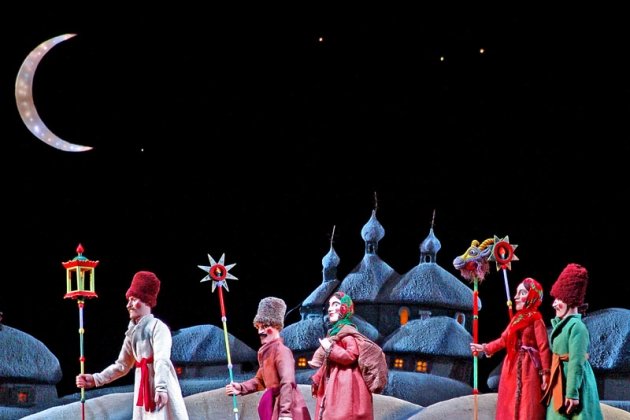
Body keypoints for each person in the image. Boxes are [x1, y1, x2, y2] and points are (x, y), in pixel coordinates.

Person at [75, 271, 189, 420]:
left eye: (133, 299)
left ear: (147, 301)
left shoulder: (157, 327)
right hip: (143, 384)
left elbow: (162, 359)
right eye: (129, 300)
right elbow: (122, 365)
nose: (128, 305)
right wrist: (96, 379)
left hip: (159, 382)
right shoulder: (132, 332)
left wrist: (161, 387)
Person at [470, 277, 551, 420]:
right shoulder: (516, 319)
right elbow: (503, 340)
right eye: (517, 293)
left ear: (532, 296)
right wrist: (484, 347)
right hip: (511, 366)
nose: (516, 297)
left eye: (522, 293)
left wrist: (545, 373)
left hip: (529, 367)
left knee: (527, 402)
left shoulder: (536, 319)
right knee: (509, 401)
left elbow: (543, 347)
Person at [225, 296, 311, 420]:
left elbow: (287, 382)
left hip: (285, 405)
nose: (260, 331)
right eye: (258, 327)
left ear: (276, 326)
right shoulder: (267, 353)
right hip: (273, 404)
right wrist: (241, 387)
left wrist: (285, 413)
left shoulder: (282, 351)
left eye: (265, 326)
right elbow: (259, 381)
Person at [542, 263, 603, 419]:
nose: (554, 304)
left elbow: (576, 361)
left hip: (574, 382)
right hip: (560, 379)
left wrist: (572, 393)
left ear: (570, 299)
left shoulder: (577, 327)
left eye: (559, 299)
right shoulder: (563, 325)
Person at [310, 291, 374, 420]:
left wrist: (330, 348)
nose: (330, 309)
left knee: (342, 413)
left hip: (346, 383)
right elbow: (328, 362)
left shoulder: (347, 333)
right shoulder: (336, 332)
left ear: (344, 308)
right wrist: (318, 377)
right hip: (335, 380)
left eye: (335, 304)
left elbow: (351, 355)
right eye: (329, 305)